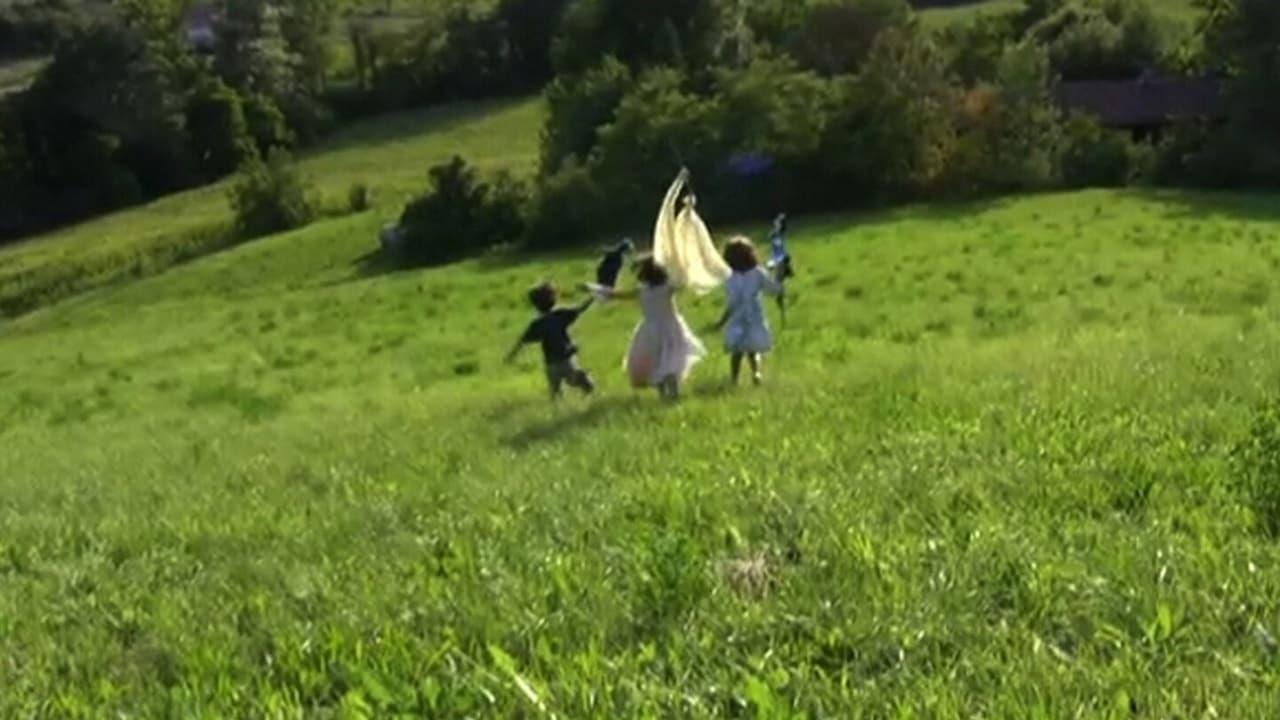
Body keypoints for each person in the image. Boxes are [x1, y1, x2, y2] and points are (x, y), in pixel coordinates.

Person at [595, 255, 706, 401]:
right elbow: (682, 282)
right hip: (671, 326)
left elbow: (616, 295)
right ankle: (673, 393)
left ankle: (662, 393)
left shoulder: (642, 291)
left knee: (656, 360)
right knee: (671, 358)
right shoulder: (667, 288)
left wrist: (596, 289)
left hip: (650, 330)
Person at [505, 282, 596, 400]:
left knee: (555, 390)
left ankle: (557, 407)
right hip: (566, 356)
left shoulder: (537, 324)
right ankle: (582, 379)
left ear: (535, 304)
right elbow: (581, 308)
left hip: (551, 362)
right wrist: (594, 295)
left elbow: (522, 341)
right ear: (554, 299)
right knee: (572, 379)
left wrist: (511, 355)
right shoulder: (561, 314)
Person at [715, 236, 783, 385]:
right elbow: (773, 289)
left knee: (737, 352)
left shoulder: (730, 277)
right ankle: (756, 373)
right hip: (754, 317)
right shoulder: (757, 273)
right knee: (752, 350)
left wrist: (722, 320)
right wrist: (779, 275)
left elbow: (732, 302)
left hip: (737, 319)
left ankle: (734, 378)